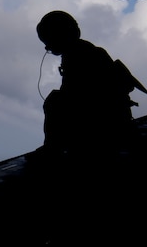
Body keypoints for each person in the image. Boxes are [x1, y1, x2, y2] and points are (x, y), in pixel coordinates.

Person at [31, 10, 135, 162]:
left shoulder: (77, 56)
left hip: (103, 123)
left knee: (54, 101)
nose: (48, 47)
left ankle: (53, 149)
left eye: (48, 41)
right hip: (112, 120)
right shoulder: (86, 50)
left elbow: (75, 98)